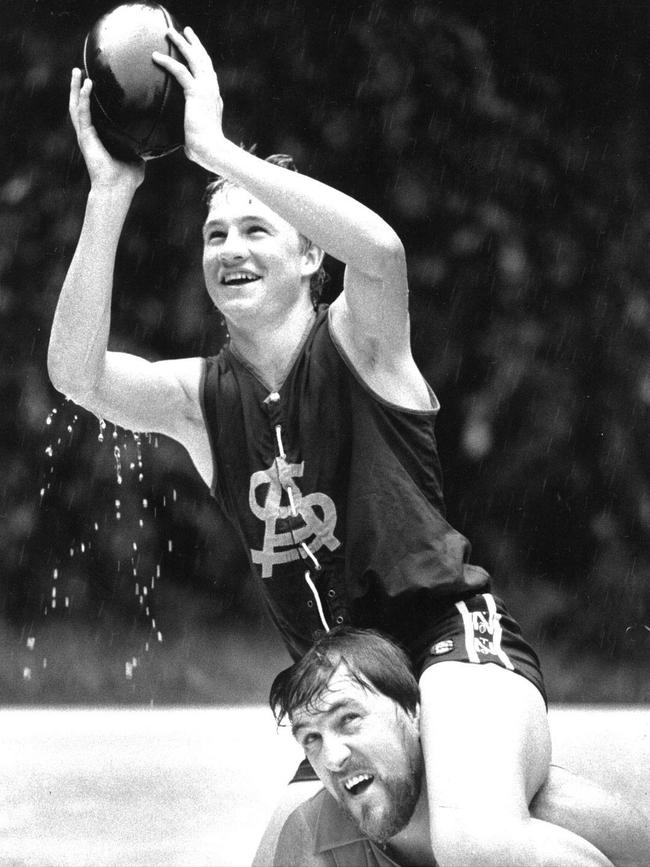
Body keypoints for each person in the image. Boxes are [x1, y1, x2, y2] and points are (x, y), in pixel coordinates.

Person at [48, 25, 619, 867]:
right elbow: (77, 375)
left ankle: (486, 804)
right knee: (293, 853)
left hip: (451, 650)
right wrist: (108, 193)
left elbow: (382, 251)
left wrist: (214, 152)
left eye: (256, 230)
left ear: (310, 254)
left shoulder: (362, 342)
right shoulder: (200, 399)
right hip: (345, 696)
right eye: (214, 235)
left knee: (473, 842)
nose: (231, 248)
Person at [270, 627, 650, 867]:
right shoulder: (312, 838)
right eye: (311, 739)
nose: (333, 758)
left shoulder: (548, 817)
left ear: (413, 712)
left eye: (349, 719)